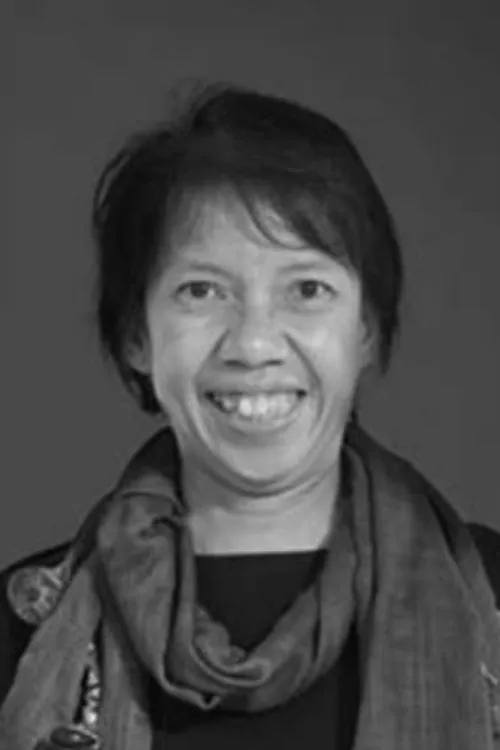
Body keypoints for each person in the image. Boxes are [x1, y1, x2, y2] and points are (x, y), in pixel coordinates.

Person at [1, 83, 499, 750]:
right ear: (136, 336)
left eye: (307, 289)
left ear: (366, 329)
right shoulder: (23, 626)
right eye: (202, 290)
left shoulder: (491, 596)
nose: (254, 344)